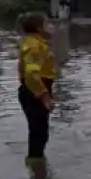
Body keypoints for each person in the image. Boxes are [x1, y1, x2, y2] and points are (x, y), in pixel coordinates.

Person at [17, 12, 58, 164]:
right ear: (39, 27)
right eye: (48, 24)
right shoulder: (34, 45)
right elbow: (31, 74)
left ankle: (37, 168)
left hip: (36, 89)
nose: (52, 27)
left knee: (40, 133)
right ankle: (36, 174)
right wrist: (44, 96)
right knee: (38, 134)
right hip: (34, 91)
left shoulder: (36, 43)